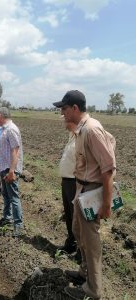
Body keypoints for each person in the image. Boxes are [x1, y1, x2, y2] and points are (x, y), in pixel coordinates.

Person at [53, 90, 116, 300]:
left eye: (64, 109)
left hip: (91, 193)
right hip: (81, 190)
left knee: (91, 241)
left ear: (75, 108)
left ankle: (93, 290)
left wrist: (106, 204)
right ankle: (84, 273)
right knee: (78, 233)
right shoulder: (80, 130)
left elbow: (108, 168)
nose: (62, 113)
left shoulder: (92, 129)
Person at [0, 107, 23, 237]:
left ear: (1, 115)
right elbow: (6, 149)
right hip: (4, 167)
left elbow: (15, 151)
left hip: (9, 169)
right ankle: (7, 218)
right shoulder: (4, 130)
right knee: (6, 195)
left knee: (14, 197)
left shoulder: (11, 129)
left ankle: (18, 225)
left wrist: (12, 171)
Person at [58, 119, 79, 256]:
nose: (63, 122)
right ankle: (71, 244)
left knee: (77, 218)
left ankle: (81, 252)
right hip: (67, 181)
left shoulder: (82, 136)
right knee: (69, 215)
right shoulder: (71, 135)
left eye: (64, 120)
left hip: (75, 182)